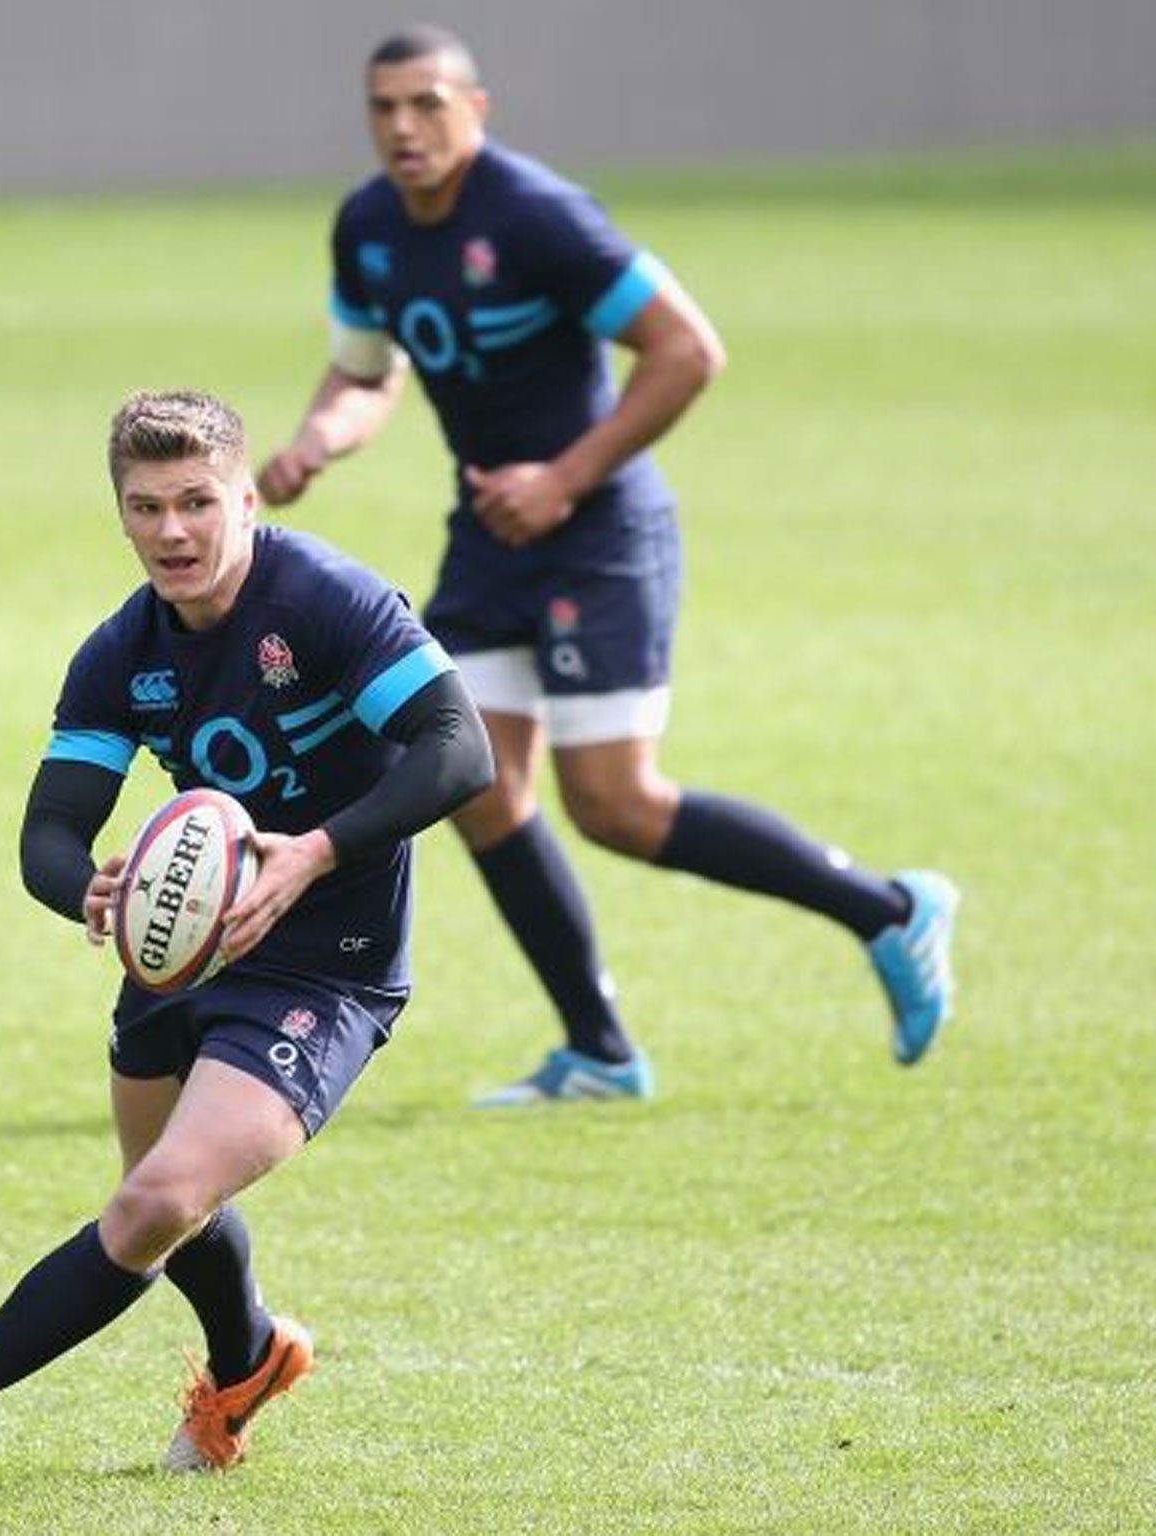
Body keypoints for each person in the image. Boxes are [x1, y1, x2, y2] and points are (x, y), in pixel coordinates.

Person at [257, 27, 959, 1105]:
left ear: (474, 108)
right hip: (488, 539)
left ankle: (889, 912)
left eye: (426, 103)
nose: (402, 126)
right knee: (471, 782)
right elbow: (363, 370)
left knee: (616, 806)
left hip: (598, 535)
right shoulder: (366, 226)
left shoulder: (536, 215)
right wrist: (318, 440)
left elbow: (686, 349)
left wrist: (562, 478)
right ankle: (598, 1050)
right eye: (382, 107)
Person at [0, 391, 493, 1513]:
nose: (173, 531)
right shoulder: (119, 653)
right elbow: (47, 833)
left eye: (197, 502)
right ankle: (247, 1361)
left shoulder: (327, 601)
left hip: (325, 964)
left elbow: (458, 748)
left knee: (152, 1204)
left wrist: (311, 854)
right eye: (145, 508)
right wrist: (87, 888)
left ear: (243, 499)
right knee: (158, 1201)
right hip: (178, 953)